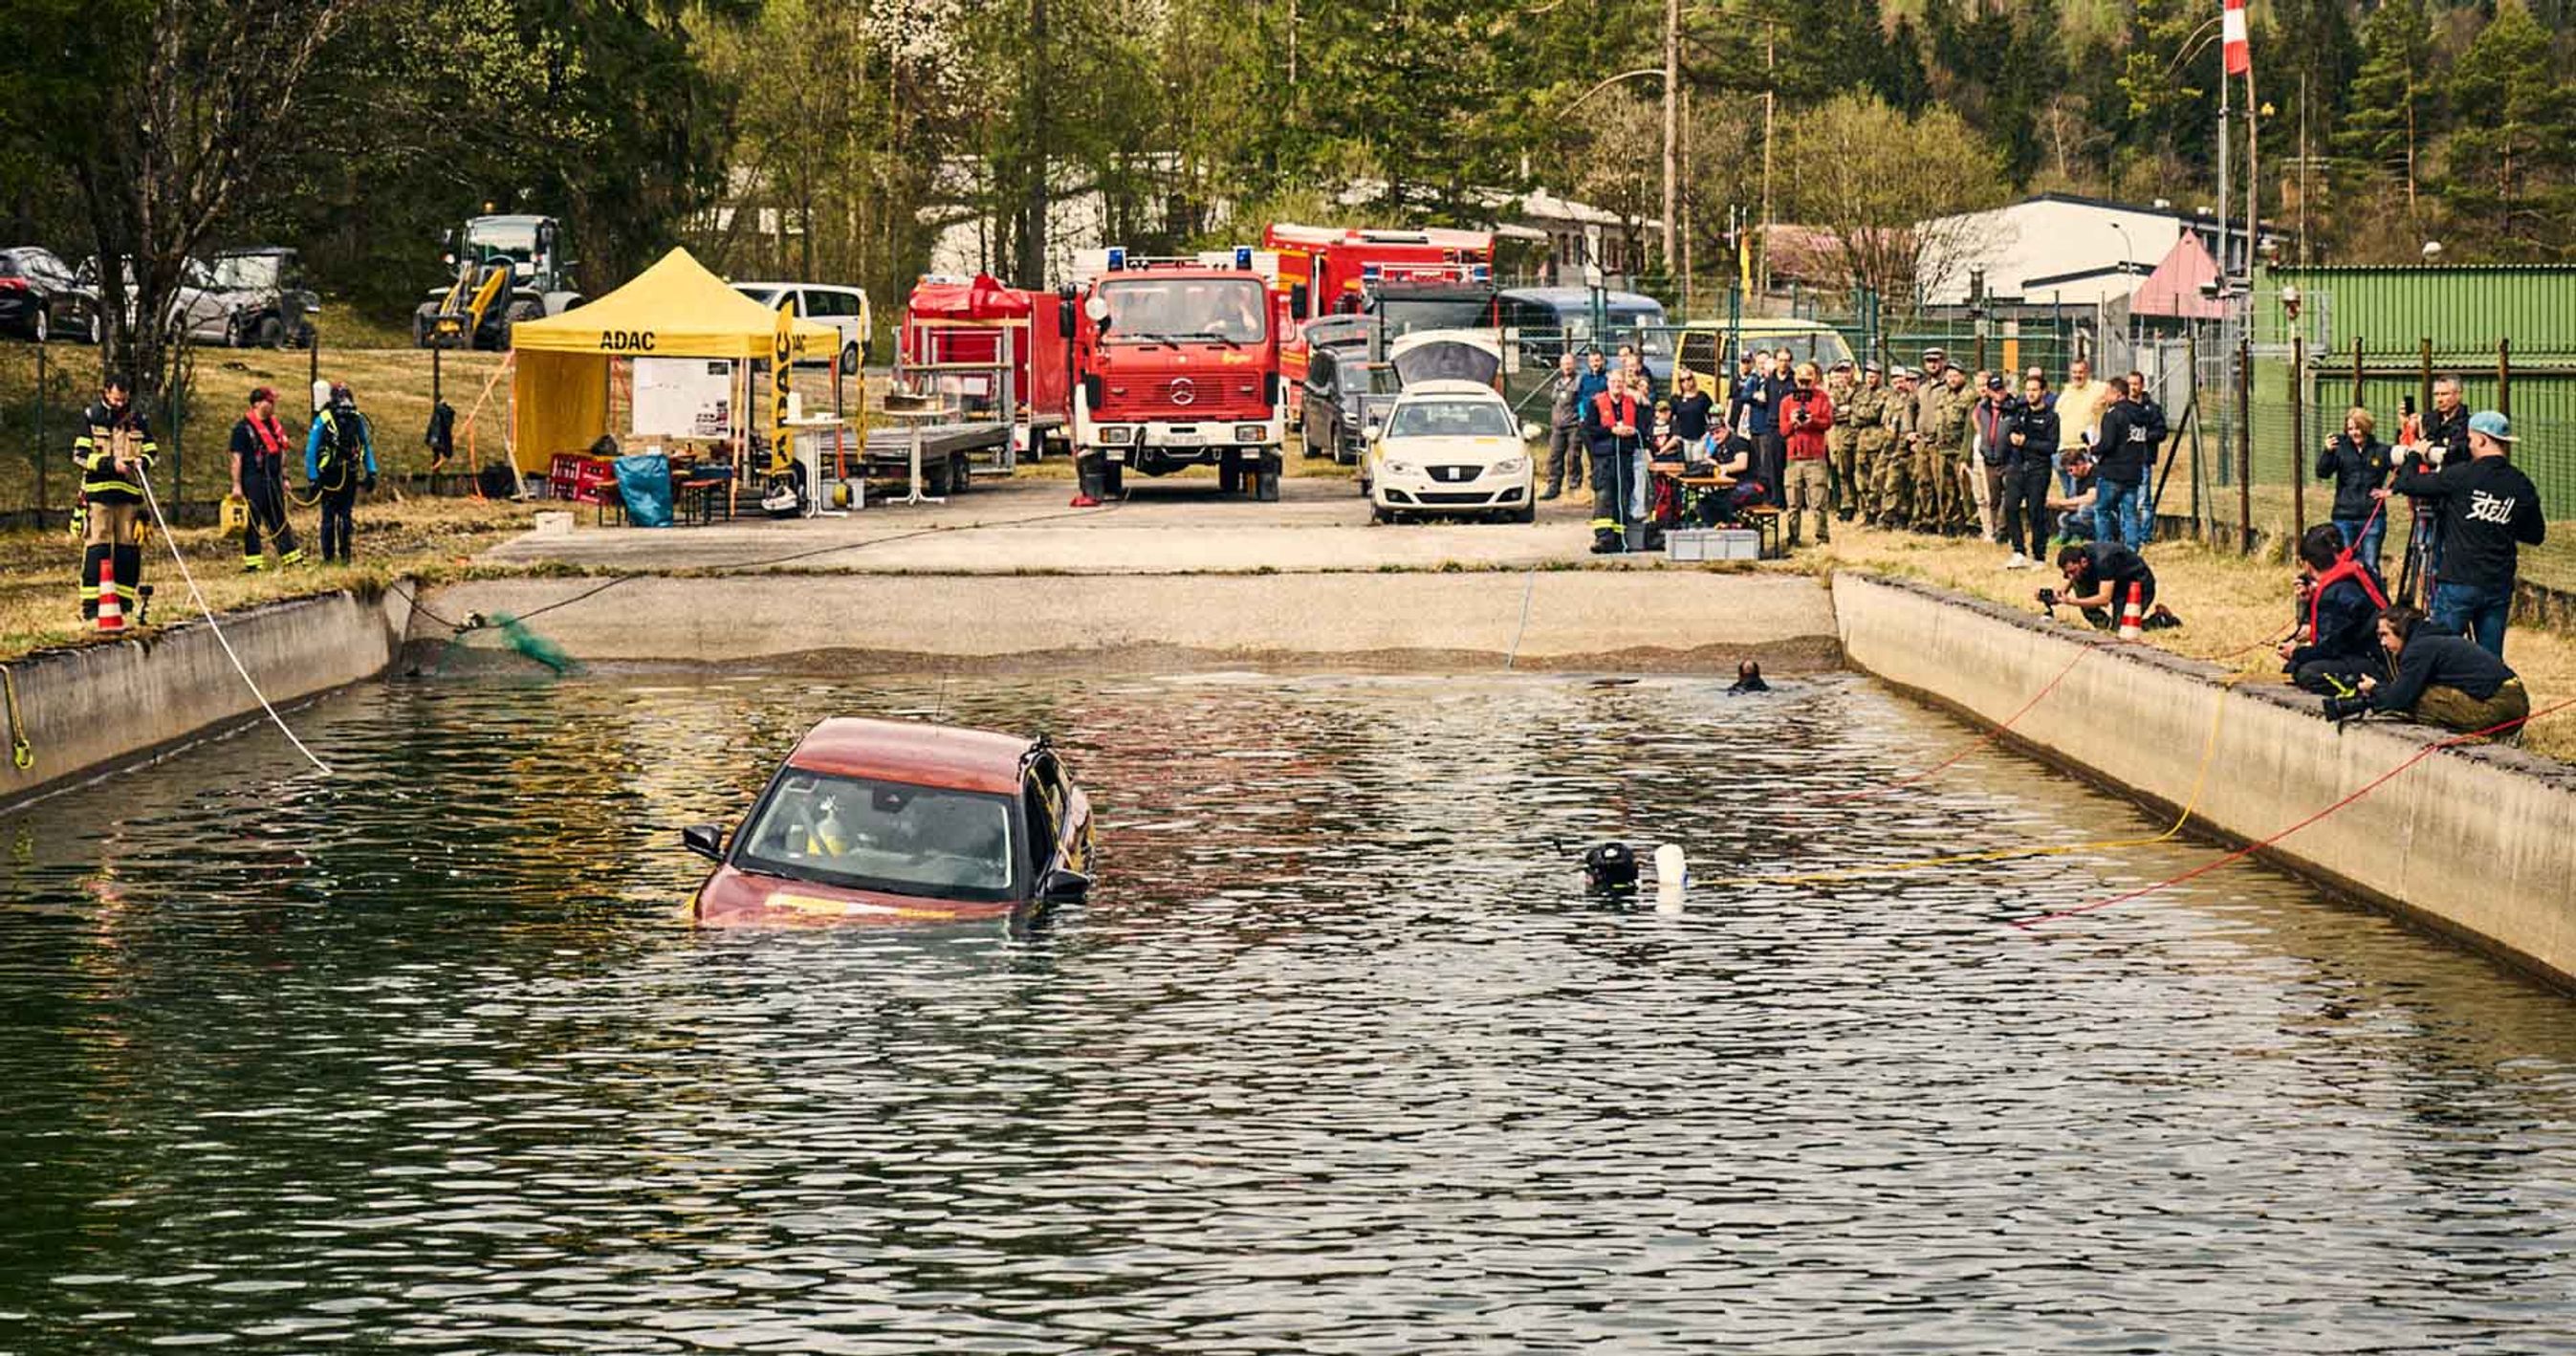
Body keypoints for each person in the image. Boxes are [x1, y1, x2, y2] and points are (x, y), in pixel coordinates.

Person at [2380, 410, 2544, 657]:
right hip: (2497, 583)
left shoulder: (2462, 476)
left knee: (2439, 651)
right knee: (2489, 658)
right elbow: (2535, 534)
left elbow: (2408, 483)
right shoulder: (2520, 484)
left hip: (2459, 580)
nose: (2468, 445)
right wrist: (2498, 521)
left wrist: (2414, 455)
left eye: (2469, 439)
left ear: (2481, 440)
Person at [2328, 605, 2528, 740]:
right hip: (2512, 699)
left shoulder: (2419, 649)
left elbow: (2398, 699)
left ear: (2402, 630)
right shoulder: (2429, 638)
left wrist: (2374, 689)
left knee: (2420, 700)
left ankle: (2498, 734)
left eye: (2384, 635)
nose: (2382, 643)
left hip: (2503, 707)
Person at [71, 373, 157, 628]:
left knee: (128, 548)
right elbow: (81, 456)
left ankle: (125, 602)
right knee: (97, 545)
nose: (120, 403)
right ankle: (91, 606)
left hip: (129, 495)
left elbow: (152, 451)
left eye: (124, 399)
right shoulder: (92, 418)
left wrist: (144, 461)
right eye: (116, 398)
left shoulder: (138, 420)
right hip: (99, 494)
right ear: (106, 392)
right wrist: (111, 464)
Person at [2281, 523, 2390, 695]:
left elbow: (2331, 648)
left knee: (2306, 673)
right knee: (2293, 667)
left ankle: (2365, 687)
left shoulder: (2335, 594)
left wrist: (2296, 653)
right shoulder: (2358, 570)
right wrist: (2307, 601)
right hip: (2367, 652)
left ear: (2307, 565)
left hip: (2371, 660)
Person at [230, 385, 304, 571]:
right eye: (268, 401)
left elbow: (282, 453)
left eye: (273, 401)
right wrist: (237, 485)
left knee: (279, 519)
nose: (272, 405)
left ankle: (292, 558)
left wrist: (285, 478)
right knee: (252, 523)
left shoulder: (274, 426)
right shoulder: (242, 429)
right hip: (253, 481)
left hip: (273, 479)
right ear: (256, 404)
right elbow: (236, 458)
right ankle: (254, 565)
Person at [304, 383, 379, 564]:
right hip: (349, 473)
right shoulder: (356, 418)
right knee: (345, 515)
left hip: (329, 475)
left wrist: (313, 478)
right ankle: (345, 556)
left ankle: (329, 558)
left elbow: (311, 450)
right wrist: (371, 472)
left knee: (329, 516)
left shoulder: (324, 418)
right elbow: (366, 445)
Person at [2315, 405, 2394, 573]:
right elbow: (2322, 472)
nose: (2354, 433)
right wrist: (2328, 452)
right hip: (2344, 517)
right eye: (2350, 429)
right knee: (2345, 565)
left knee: (2370, 566)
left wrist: (2390, 491)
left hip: (2372, 518)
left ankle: (2372, 597)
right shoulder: (2340, 449)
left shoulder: (2381, 451)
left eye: (2358, 428)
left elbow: (2403, 472)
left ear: (2366, 427)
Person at [2042, 540, 2173, 632]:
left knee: (2124, 630)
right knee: (2080, 581)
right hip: (2117, 582)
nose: (2070, 576)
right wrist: (2054, 595)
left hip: (2138, 585)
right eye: (2067, 573)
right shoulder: (2081, 558)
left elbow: (2104, 599)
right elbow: (2068, 583)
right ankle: (2107, 625)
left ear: (2083, 561)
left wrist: (2073, 601)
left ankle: (2161, 619)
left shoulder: (2104, 560)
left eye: (2072, 571)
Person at [2089, 378, 2160, 545]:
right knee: (2130, 514)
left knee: (2102, 510)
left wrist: (2093, 448)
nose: (2104, 396)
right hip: (2134, 472)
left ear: (2117, 394)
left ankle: (2105, 547)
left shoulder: (2113, 414)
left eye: (2107, 392)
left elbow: (2107, 444)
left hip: (2112, 472)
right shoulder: (2141, 415)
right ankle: (2132, 549)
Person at [1998, 375, 2059, 570]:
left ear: (2043, 392)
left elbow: (2051, 446)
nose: (2031, 393)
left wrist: (2026, 442)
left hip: (2038, 469)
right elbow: (2011, 431)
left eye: (2034, 390)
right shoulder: (2021, 412)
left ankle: (2039, 555)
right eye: (2028, 390)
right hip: (2017, 467)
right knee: (2010, 507)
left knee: (2035, 511)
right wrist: (2012, 437)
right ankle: (2018, 551)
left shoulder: (2051, 417)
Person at [1583, 370, 1647, 554]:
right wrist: (1612, 430)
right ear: (1608, 383)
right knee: (1604, 497)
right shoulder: (1596, 403)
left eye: (1620, 382)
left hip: (1625, 456)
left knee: (1623, 496)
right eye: (1613, 381)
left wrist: (1632, 431)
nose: (1617, 385)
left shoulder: (1632, 404)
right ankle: (1603, 538)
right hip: (1604, 457)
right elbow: (1589, 430)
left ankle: (1619, 539)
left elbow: (1643, 428)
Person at [1780, 361, 1834, 548]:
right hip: (1794, 458)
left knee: (1818, 502)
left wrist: (1812, 421)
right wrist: (1793, 422)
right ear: (1795, 380)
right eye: (1801, 380)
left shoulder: (1822, 398)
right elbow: (1783, 431)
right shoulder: (1787, 402)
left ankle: (1822, 538)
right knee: (1793, 503)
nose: (1804, 384)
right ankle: (1793, 538)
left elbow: (1828, 422)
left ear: (1815, 380)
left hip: (1815, 457)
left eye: (1807, 380)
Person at [1927, 363, 1975, 536]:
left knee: (1966, 490)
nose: (1952, 380)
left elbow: (1970, 428)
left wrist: (1965, 454)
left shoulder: (1970, 396)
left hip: (1960, 450)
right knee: (1946, 490)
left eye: (1955, 376)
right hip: (1943, 449)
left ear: (1963, 376)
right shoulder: (1943, 396)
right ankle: (1950, 523)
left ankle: (1972, 524)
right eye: (1949, 376)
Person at [1736, 349, 1786, 508]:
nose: (1763, 368)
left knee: (1768, 465)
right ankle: (1759, 494)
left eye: (1766, 364)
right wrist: (1755, 397)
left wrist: (1762, 399)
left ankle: (1771, 496)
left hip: (1768, 428)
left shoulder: (1773, 383)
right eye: (1760, 364)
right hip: (1754, 428)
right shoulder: (1754, 379)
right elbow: (1744, 396)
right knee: (1757, 464)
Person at [2123, 372, 2168, 542]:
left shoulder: (2152, 409)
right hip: (2124, 460)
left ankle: (2144, 536)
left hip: (2142, 459)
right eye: (2130, 384)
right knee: (2126, 500)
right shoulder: (2122, 407)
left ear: (2142, 386)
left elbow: (2161, 432)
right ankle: (2127, 534)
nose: (2133, 387)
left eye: (2136, 384)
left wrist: (2144, 435)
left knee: (2143, 500)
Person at [2053, 359, 2107, 496]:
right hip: (2061, 450)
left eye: (2081, 372)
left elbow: (2118, 390)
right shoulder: (2066, 393)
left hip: (2081, 451)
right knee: (2068, 493)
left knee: (2076, 494)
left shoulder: (2098, 388)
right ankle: (2069, 517)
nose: (2077, 375)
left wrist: (2104, 402)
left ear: (2087, 373)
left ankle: (2074, 518)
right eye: (2074, 372)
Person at [1971, 371, 2013, 541]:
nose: (1999, 393)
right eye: (1995, 390)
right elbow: (1978, 425)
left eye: (2001, 389)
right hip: (1989, 459)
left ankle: (2003, 529)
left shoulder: (2013, 406)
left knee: (2008, 496)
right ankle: (1995, 530)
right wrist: (1984, 446)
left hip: (2008, 459)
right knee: (1993, 498)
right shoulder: (1982, 408)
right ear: (1988, 391)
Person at [1846, 361, 1890, 525]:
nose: (1870, 379)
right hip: (1862, 442)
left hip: (1878, 442)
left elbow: (1874, 414)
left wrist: (1856, 412)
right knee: (1861, 480)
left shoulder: (1885, 394)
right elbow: (1853, 419)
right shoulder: (1860, 394)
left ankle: (1877, 512)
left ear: (1879, 376)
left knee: (1877, 480)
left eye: (1874, 376)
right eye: (1868, 376)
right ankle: (1867, 512)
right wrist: (1857, 414)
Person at [1876, 367, 1920, 529]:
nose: (1907, 384)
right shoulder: (1897, 399)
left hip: (1913, 448)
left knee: (1914, 485)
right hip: (1896, 447)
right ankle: (1888, 516)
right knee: (1892, 482)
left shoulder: (1920, 400)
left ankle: (1911, 518)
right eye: (1906, 380)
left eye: (1911, 381)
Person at [1541, 351, 1585, 500]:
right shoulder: (1558, 383)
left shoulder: (1580, 381)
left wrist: (1581, 419)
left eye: (1569, 363)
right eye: (1564, 364)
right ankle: (1553, 487)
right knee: (1554, 457)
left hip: (1574, 426)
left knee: (1573, 457)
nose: (1567, 366)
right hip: (1558, 427)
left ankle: (1574, 487)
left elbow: (1582, 402)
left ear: (1574, 364)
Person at [1823, 360, 1859, 520]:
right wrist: (1848, 412)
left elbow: (1866, 412)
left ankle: (1863, 507)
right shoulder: (1834, 391)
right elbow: (1831, 414)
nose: (1844, 375)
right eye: (1841, 371)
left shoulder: (1862, 390)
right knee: (1843, 472)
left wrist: (1851, 412)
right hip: (1841, 436)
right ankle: (1847, 506)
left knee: (1862, 473)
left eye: (1847, 371)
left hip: (1861, 436)